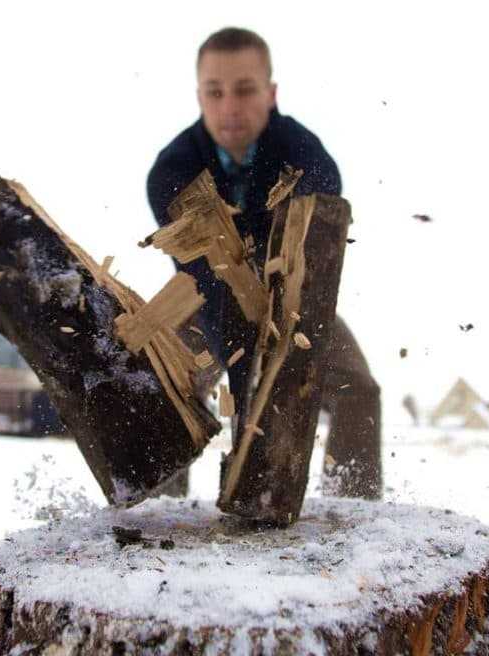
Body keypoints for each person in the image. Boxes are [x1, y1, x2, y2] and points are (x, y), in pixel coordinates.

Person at [146, 27, 381, 499]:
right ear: (200, 97)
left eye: (245, 89)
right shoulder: (170, 173)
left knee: (359, 389)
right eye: (215, 92)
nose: (230, 106)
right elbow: (204, 281)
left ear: (271, 93)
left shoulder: (310, 162)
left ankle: (355, 509)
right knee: (159, 384)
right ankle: (156, 516)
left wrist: (275, 351)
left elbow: (311, 274)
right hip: (206, 300)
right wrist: (243, 368)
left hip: (292, 304)